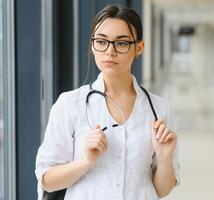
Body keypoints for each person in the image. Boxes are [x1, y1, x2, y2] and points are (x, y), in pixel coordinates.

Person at [35, 4, 180, 200]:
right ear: (92, 46)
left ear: (139, 48)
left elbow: (162, 190)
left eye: (121, 43)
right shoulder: (69, 104)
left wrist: (164, 159)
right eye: (101, 42)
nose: (109, 51)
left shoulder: (159, 109)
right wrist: (85, 162)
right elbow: (47, 180)